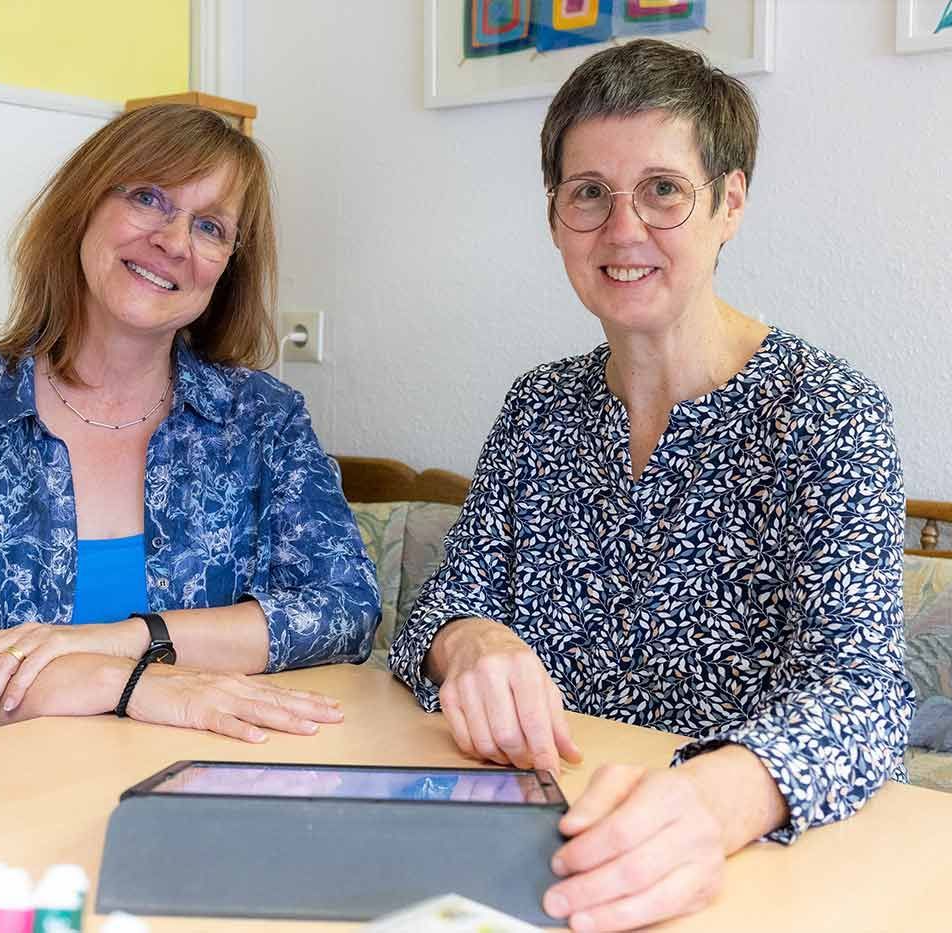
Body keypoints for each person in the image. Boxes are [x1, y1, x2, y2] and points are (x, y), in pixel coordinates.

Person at [389, 39, 914, 931]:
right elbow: (437, 618)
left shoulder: (828, 414)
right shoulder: (538, 408)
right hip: (533, 854)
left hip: (739, 878)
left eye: (663, 190)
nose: (622, 229)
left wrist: (717, 801)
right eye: (588, 192)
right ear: (556, 217)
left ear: (730, 203)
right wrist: (469, 642)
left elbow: (863, 695)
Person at [0, 105, 379, 758]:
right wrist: (133, 684)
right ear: (83, 206)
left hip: (189, 798)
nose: (174, 241)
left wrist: (127, 638)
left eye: (209, 226)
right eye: (149, 197)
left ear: (227, 265)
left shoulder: (265, 420)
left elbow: (346, 610)